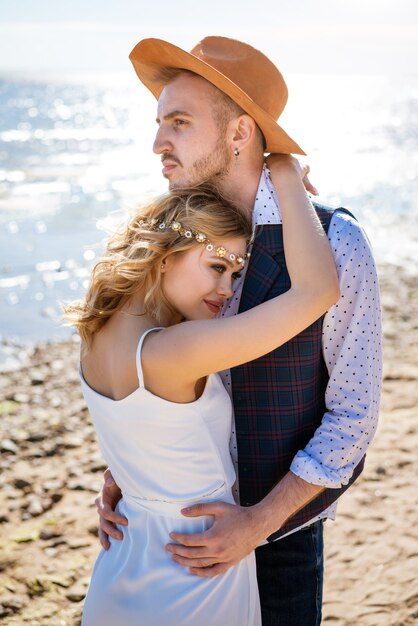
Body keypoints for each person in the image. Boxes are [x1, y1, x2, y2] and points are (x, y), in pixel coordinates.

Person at [95, 37, 382, 625]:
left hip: (278, 543)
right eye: (159, 123)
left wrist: (258, 522)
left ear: (239, 134)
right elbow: (155, 374)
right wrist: (132, 467)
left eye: (178, 122)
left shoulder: (337, 244)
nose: (158, 144)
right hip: (170, 539)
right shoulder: (175, 241)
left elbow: (352, 418)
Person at [65, 174, 339, 626]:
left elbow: (144, 432)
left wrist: (125, 478)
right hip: (197, 568)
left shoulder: (94, 334)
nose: (228, 290)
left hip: (125, 557)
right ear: (164, 254)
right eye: (217, 266)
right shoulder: (176, 351)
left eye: (235, 272)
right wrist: (286, 170)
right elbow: (320, 291)